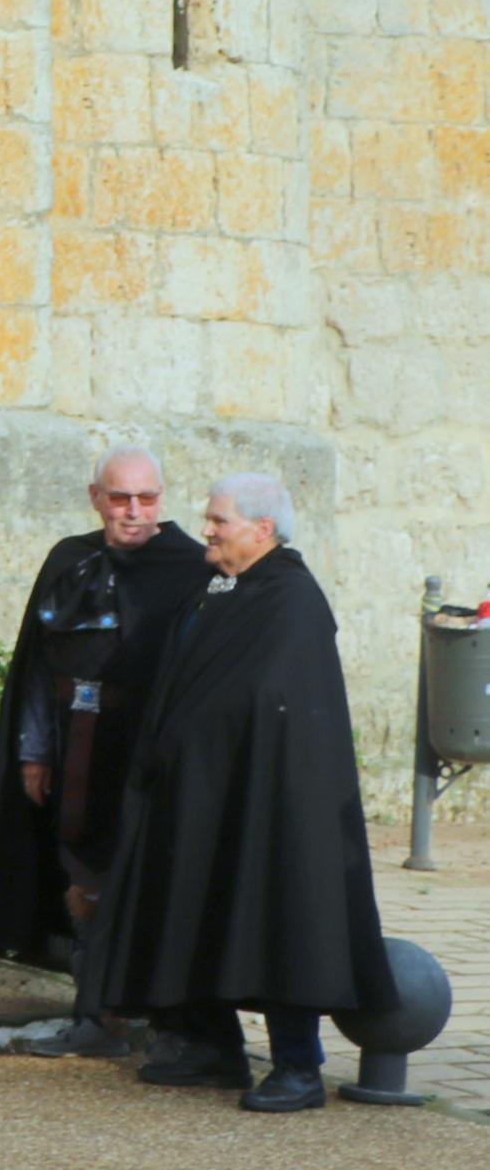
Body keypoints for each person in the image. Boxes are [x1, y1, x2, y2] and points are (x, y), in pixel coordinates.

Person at [94, 474, 396, 1112]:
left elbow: (262, 695)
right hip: (207, 786)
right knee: (200, 905)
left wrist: (190, 737)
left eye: (220, 521)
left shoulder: (290, 598)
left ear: (262, 531)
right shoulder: (223, 585)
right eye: (209, 518)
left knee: (279, 910)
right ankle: (213, 1049)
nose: (206, 529)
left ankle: (298, 1067)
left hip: (273, 796)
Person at [0, 447, 208, 1059]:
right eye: (119, 497)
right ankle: (94, 1011)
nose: (133, 511)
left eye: (146, 498)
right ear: (95, 497)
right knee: (83, 873)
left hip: (146, 747)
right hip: (78, 746)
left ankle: (157, 1015)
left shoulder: (188, 567)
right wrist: (33, 752)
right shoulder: (70, 560)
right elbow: (41, 669)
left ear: (163, 498)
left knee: (149, 874)